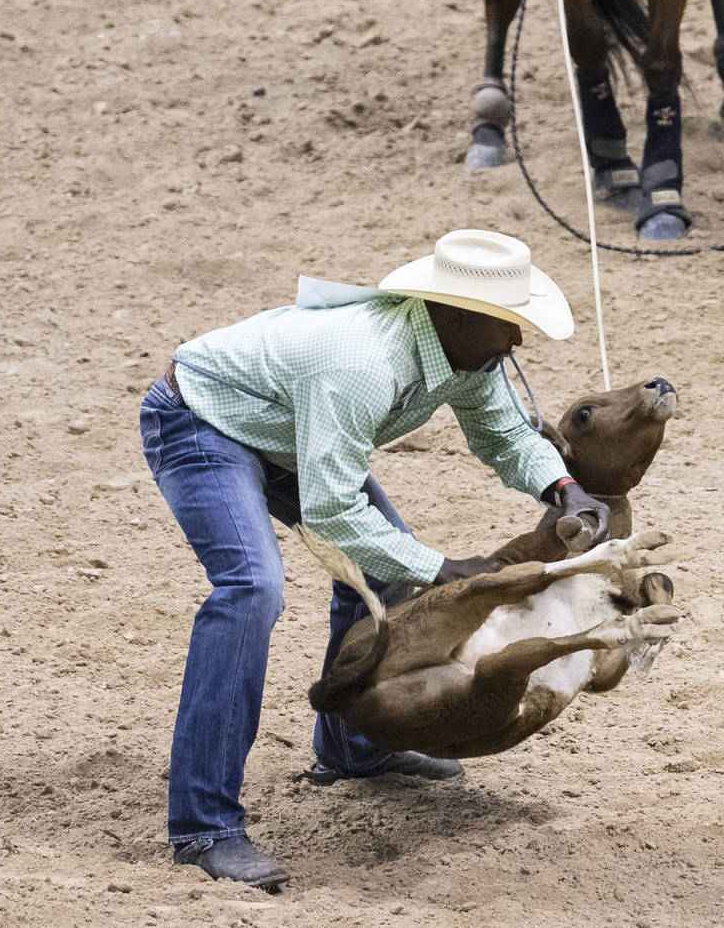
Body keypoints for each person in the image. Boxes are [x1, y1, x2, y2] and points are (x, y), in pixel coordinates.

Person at [139, 229, 611, 889]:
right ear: (457, 314)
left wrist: (563, 487)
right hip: (201, 421)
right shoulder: (362, 363)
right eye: (508, 323)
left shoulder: (463, 352)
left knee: (387, 566)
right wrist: (441, 567)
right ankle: (204, 826)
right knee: (251, 587)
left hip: (288, 433)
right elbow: (333, 513)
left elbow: (505, 433)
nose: (518, 341)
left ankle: (350, 746)